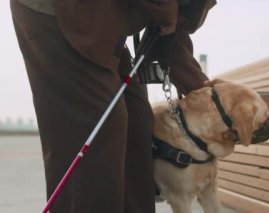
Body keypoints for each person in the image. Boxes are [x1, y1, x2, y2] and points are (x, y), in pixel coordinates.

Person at [10, 0, 216, 212]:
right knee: (102, 127)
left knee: (138, 121)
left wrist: (211, 97)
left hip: (103, 23)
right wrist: (165, 12)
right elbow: (167, 16)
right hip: (62, 13)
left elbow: (170, 33)